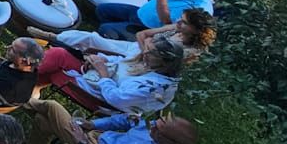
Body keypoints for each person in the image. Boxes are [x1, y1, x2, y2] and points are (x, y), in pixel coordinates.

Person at [34, 35, 185, 114]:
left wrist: (103, 73)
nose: (145, 53)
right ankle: (29, 89)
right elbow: (121, 61)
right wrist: (103, 59)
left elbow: (116, 100)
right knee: (58, 54)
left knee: (54, 68)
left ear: (165, 62)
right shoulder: (152, 63)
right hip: (93, 78)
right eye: (147, 49)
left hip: (98, 99)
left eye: (151, 53)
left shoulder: (152, 88)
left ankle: (23, 81)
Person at [28, 7, 217, 67]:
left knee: (93, 43)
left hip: (138, 62)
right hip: (135, 49)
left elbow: (156, 61)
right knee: (92, 37)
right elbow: (142, 34)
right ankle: (54, 37)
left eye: (184, 22)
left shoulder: (189, 50)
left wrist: (146, 47)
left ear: (196, 30)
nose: (179, 23)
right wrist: (147, 46)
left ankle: (53, 42)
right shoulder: (176, 29)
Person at [26, 101, 198, 144]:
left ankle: (10, 99)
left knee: (52, 106)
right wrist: (92, 124)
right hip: (99, 135)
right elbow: (127, 120)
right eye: (157, 123)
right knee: (43, 121)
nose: (152, 126)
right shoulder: (161, 129)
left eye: (157, 129)